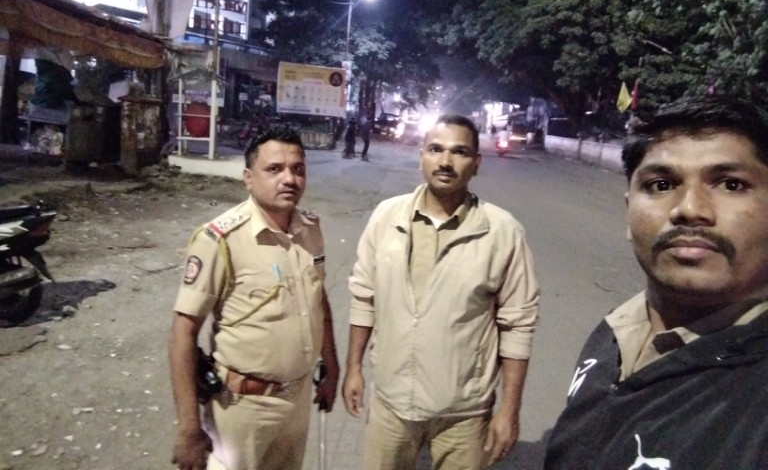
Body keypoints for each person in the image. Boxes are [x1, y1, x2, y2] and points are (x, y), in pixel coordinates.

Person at [544, 95, 768, 470]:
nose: (689, 209)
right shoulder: (615, 329)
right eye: (661, 184)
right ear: (628, 210)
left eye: (730, 184)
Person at [342, 114, 540, 469]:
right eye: (435, 149)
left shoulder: (502, 232)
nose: (446, 161)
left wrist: (509, 411)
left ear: (476, 162)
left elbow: (518, 326)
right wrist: (353, 367)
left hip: (464, 414)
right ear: (422, 156)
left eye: (459, 152)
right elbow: (364, 296)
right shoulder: (387, 218)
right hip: (391, 403)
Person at [168, 125, 340, 470]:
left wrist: (332, 367)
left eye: (297, 169)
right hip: (241, 409)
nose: (289, 179)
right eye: (274, 169)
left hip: (297, 400)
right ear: (249, 178)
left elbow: (317, 300)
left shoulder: (309, 230)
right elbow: (183, 332)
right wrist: (189, 429)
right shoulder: (220, 240)